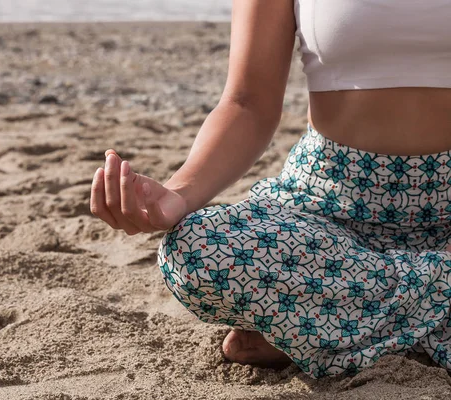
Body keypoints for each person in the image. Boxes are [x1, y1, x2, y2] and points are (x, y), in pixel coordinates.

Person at [89, 0, 451, 378]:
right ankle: (428, 316)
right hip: (327, 213)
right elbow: (247, 102)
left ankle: (326, 331)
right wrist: (177, 194)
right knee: (194, 249)